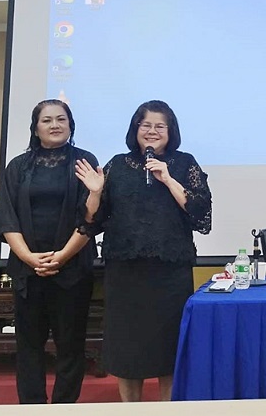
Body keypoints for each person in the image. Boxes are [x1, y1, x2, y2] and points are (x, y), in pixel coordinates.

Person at [77, 99, 212, 402]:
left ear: (170, 131)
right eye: (146, 125)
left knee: (168, 349)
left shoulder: (184, 163)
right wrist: (95, 193)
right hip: (125, 273)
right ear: (135, 129)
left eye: (160, 126)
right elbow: (91, 220)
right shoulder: (117, 165)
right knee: (127, 350)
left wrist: (168, 179)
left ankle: (168, 409)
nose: (152, 131)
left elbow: (201, 214)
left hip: (170, 272)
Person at [0, 99, 101, 404]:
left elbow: (90, 217)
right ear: (35, 127)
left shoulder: (84, 162)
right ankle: (32, 407)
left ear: (71, 125)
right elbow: (7, 216)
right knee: (29, 346)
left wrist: (62, 256)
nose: (55, 125)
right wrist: (28, 257)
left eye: (61, 119)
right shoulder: (18, 166)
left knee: (71, 345)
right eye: (47, 120)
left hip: (73, 268)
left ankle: (64, 406)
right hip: (29, 270)